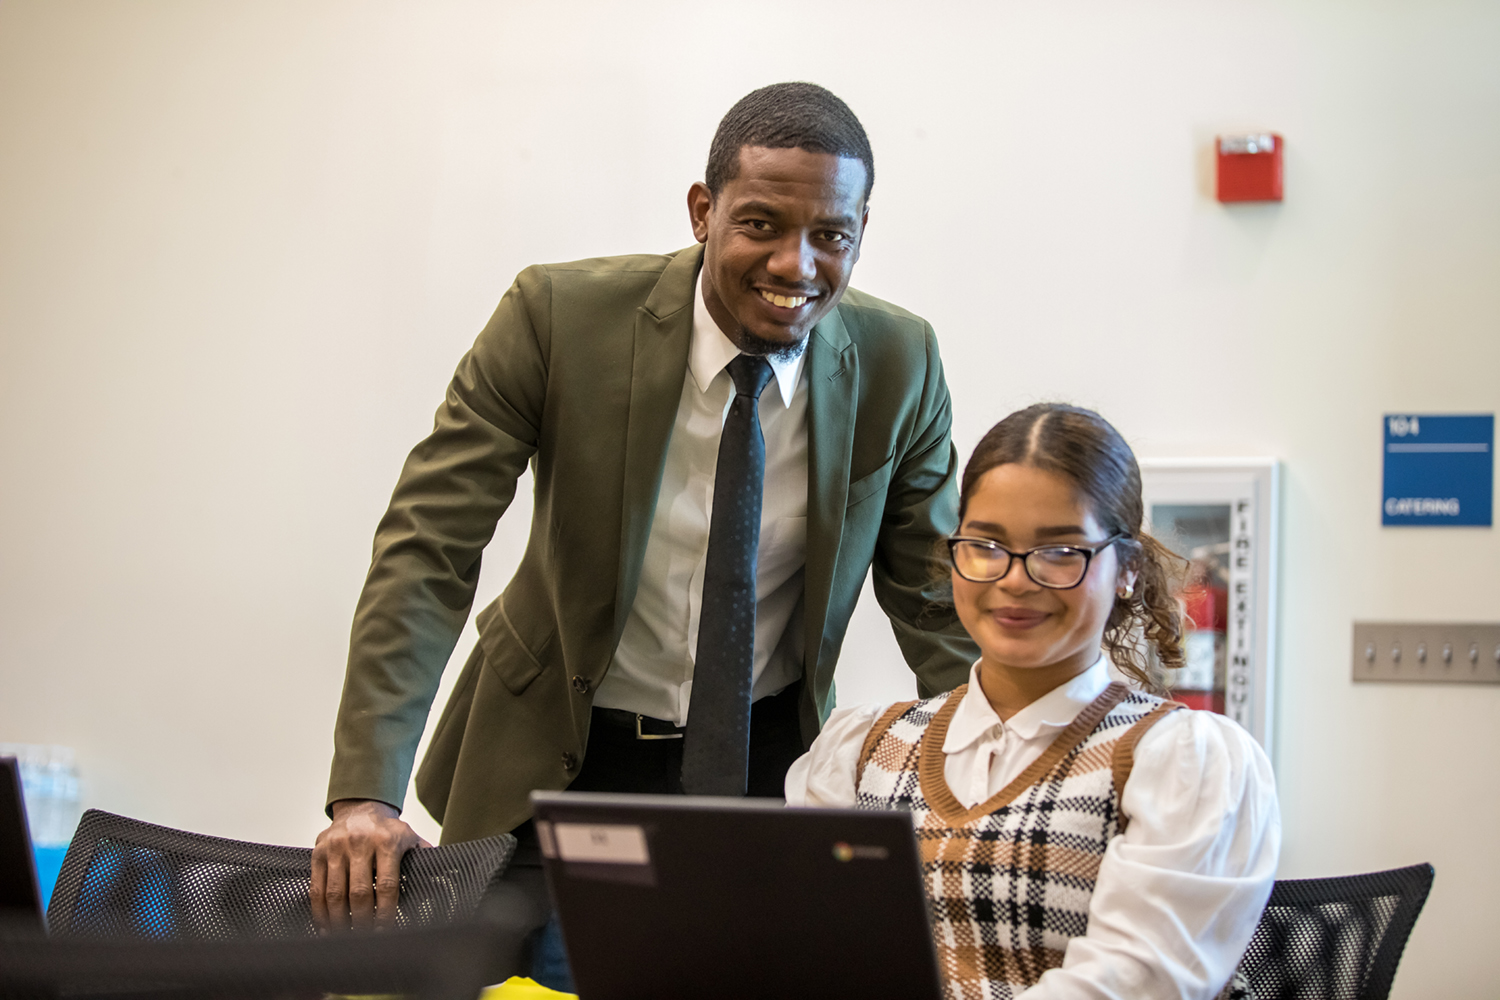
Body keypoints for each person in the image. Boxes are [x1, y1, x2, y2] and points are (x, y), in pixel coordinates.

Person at [310, 81, 979, 967]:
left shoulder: (900, 361)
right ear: (704, 211)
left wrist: (1025, 775)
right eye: (762, 225)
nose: (796, 266)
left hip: (764, 766)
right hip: (559, 761)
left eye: (831, 236)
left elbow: (939, 600)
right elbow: (428, 551)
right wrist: (366, 794)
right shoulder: (558, 318)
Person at [786, 403, 1279, 1000]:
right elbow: (804, 951)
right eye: (986, 545)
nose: (1015, 580)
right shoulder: (862, 750)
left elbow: (1133, 983)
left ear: (1126, 569)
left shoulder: (1180, 761)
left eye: (1061, 552)